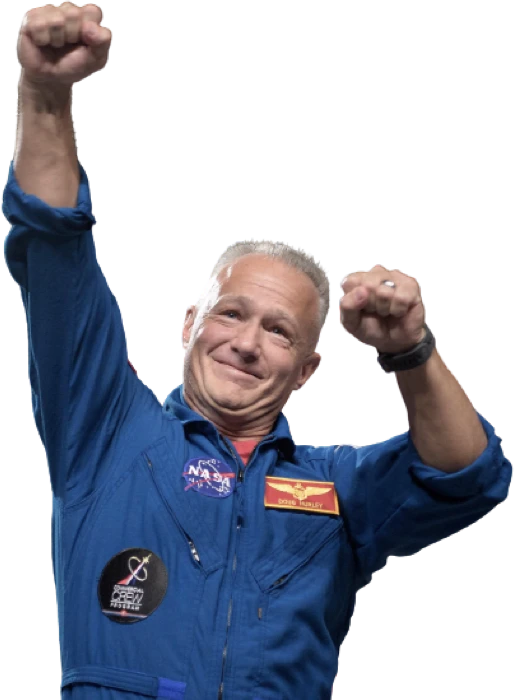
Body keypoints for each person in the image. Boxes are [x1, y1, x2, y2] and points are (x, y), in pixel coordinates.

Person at [3, 3, 511, 699]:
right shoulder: (106, 432)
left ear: (306, 371)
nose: (245, 344)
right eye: (230, 314)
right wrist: (44, 95)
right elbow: (54, 243)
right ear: (189, 324)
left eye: (278, 332)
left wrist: (412, 353)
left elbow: (465, 474)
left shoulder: (337, 484)